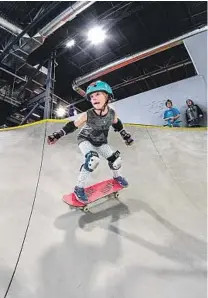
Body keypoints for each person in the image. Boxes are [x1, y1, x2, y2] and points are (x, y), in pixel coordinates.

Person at [47, 80, 134, 203]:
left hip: (101, 142)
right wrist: (58, 134)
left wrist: (125, 135)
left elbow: (117, 124)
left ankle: (117, 177)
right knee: (92, 160)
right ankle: (79, 188)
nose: (94, 98)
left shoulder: (112, 113)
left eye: (97, 94)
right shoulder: (88, 114)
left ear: (108, 96)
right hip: (85, 140)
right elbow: (73, 125)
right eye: (92, 96)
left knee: (116, 160)